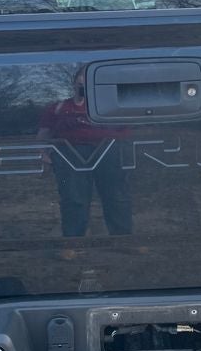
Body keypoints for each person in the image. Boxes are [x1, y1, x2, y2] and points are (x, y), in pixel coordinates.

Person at [37, 69, 132, 237]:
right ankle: (73, 242)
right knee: (73, 198)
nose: (84, 88)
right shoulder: (58, 108)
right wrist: (43, 153)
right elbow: (44, 133)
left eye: (89, 84)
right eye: (81, 84)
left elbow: (125, 133)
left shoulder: (111, 107)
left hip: (108, 151)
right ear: (74, 84)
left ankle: (124, 238)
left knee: (116, 196)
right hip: (70, 153)